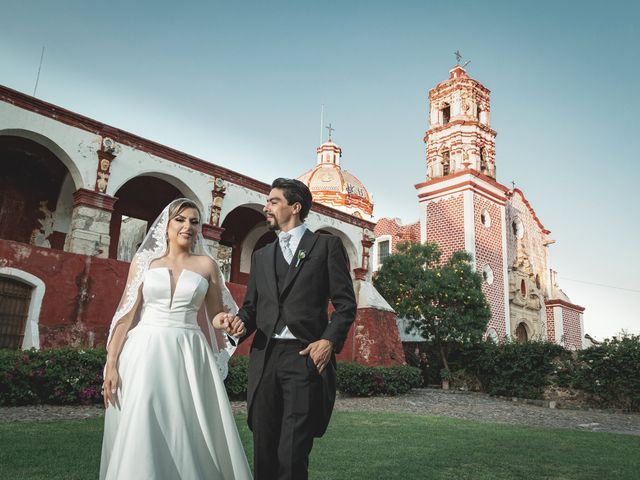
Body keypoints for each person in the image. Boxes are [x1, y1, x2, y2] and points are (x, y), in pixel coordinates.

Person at [99, 198, 252, 480]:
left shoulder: (207, 265)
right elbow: (125, 315)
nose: (187, 226)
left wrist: (227, 322)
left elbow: (216, 315)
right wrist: (111, 364)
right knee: (143, 416)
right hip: (144, 350)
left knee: (187, 425)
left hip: (188, 352)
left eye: (194, 222)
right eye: (180, 220)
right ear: (166, 225)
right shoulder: (146, 262)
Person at [228, 178, 357, 480]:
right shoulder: (261, 256)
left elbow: (345, 304)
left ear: (295, 207)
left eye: (273, 201)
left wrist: (328, 342)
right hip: (265, 358)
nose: (266, 207)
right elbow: (252, 310)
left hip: (305, 357)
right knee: (263, 447)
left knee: (292, 452)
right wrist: (237, 323)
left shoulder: (326, 246)